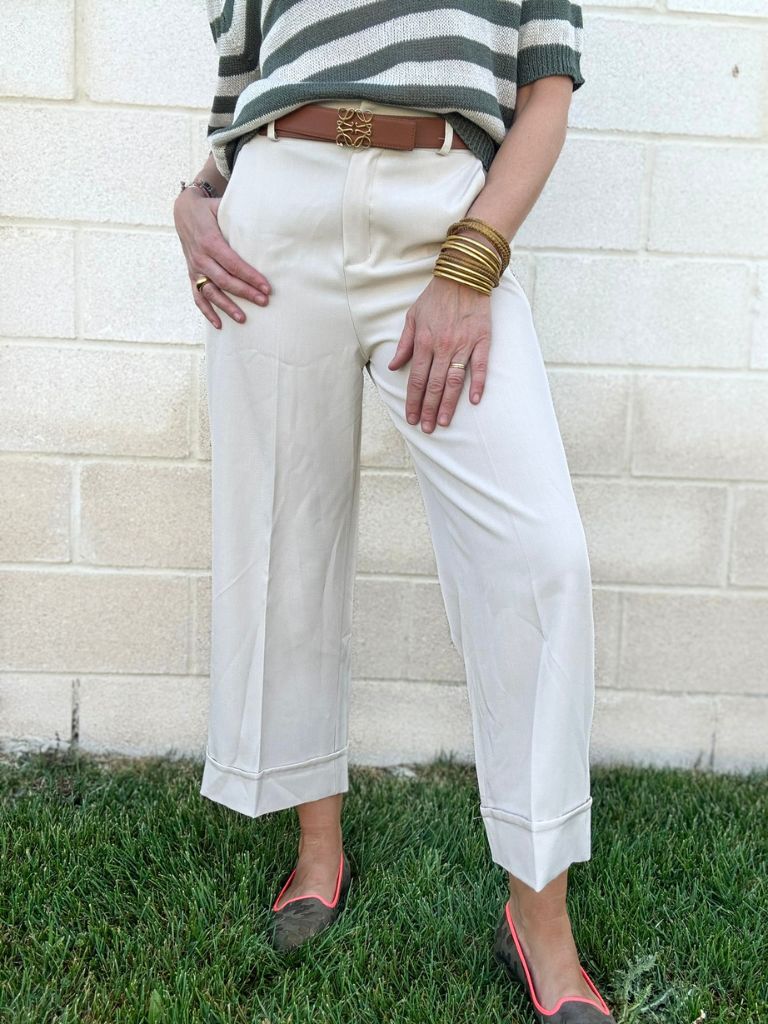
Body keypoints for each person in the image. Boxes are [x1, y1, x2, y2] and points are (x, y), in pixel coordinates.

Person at [174, 2, 616, 1021]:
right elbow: (246, 82)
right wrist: (198, 196)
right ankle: (317, 845)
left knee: (538, 558)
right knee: (284, 539)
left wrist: (473, 260)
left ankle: (540, 913)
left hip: (443, 215)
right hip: (272, 215)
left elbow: (546, 88)